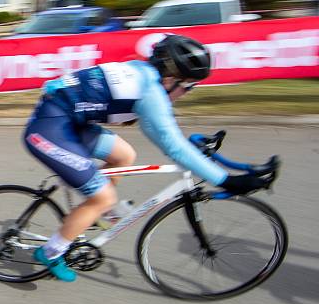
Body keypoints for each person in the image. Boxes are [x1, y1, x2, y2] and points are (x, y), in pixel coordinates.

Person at [23, 34, 267, 282]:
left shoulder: (146, 73)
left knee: (124, 155)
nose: (188, 92)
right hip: (50, 128)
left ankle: (94, 211)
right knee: (103, 197)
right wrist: (226, 180)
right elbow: (173, 146)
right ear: (171, 78)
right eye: (189, 86)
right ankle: (51, 252)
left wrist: (195, 148)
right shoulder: (150, 91)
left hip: (69, 121)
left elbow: (169, 131)